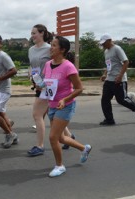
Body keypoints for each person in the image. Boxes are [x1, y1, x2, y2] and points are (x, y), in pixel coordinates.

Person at [39, 36, 91, 177]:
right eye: (51, 44)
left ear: (62, 50)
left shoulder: (68, 66)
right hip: (52, 105)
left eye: (54, 45)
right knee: (60, 138)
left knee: (52, 137)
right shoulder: (48, 64)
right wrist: (39, 84)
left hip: (65, 106)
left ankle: (60, 166)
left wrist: (65, 99)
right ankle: (84, 148)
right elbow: (47, 82)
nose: (51, 47)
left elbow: (79, 88)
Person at [27, 24, 75, 156]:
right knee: (51, 114)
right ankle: (69, 137)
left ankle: (40, 146)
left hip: (49, 86)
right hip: (38, 84)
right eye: (31, 33)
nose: (32, 36)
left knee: (37, 115)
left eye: (34, 33)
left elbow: (60, 63)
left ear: (42, 33)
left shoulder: (50, 48)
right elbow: (32, 66)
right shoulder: (31, 50)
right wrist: (30, 73)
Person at [99, 34, 135, 125]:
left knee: (121, 100)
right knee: (105, 100)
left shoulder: (117, 49)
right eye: (102, 44)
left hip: (119, 79)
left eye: (104, 43)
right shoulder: (106, 52)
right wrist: (104, 74)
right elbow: (109, 65)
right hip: (109, 79)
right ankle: (109, 120)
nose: (103, 45)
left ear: (109, 40)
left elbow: (126, 62)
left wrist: (120, 75)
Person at [0, 34, 18, 149]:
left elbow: (14, 70)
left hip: (3, 90)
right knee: (0, 113)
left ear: (1, 43)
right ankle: (12, 136)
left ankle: (10, 134)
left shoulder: (3, 56)